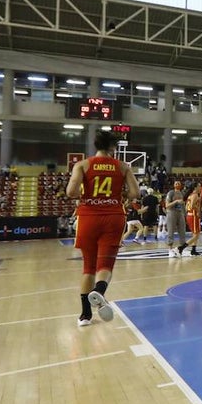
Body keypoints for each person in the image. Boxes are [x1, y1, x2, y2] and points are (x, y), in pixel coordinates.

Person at [66, 130, 140, 327]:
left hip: (88, 216)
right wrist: (120, 193)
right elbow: (135, 193)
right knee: (105, 264)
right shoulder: (123, 166)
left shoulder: (82, 165)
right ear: (112, 148)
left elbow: (71, 192)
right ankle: (99, 290)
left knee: (88, 267)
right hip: (114, 216)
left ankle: (85, 315)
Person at [163, 180, 188, 258]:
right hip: (171, 212)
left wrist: (185, 214)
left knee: (182, 231)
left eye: (179, 183)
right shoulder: (171, 193)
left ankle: (182, 249)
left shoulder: (182, 193)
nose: (177, 184)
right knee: (171, 231)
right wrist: (176, 201)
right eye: (176, 183)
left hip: (180, 213)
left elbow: (183, 205)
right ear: (174, 185)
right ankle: (170, 250)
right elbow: (167, 205)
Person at [183, 185, 201, 255]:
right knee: (196, 235)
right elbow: (192, 205)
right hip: (193, 216)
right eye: (199, 186)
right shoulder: (195, 195)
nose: (200, 188)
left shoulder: (190, 195)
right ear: (195, 187)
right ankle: (181, 248)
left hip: (190, 215)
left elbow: (186, 207)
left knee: (195, 234)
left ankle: (193, 250)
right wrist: (198, 211)